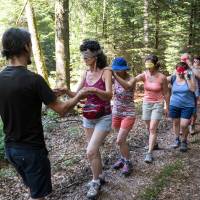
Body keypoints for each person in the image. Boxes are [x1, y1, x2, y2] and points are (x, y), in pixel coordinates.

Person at [0, 28, 86, 200]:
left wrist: (46, 93)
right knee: (39, 196)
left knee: (34, 189)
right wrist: (79, 95)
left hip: (11, 150)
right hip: (32, 151)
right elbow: (62, 110)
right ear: (26, 46)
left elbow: (18, 98)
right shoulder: (34, 79)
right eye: (31, 44)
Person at [63, 40, 112, 199]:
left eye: (87, 56)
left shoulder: (106, 71)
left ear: (95, 56)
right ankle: (100, 176)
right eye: (83, 56)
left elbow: (109, 94)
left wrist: (93, 89)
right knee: (94, 150)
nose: (84, 59)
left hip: (103, 116)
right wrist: (65, 90)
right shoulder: (85, 73)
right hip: (88, 117)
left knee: (90, 151)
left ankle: (95, 181)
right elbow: (76, 95)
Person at [111, 55, 169, 163]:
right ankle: (154, 143)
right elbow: (131, 81)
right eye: (146, 64)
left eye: (150, 64)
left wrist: (167, 107)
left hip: (158, 103)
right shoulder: (144, 75)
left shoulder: (162, 77)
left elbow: (166, 92)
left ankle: (149, 153)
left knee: (152, 128)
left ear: (155, 64)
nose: (148, 67)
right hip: (146, 103)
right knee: (148, 127)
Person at [110, 57, 135, 176]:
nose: (117, 71)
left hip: (128, 113)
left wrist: (115, 76)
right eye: (116, 70)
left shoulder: (132, 79)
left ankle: (128, 162)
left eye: (119, 70)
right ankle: (122, 158)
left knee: (120, 140)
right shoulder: (113, 78)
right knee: (121, 140)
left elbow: (127, 86)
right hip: (116, 112)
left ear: (125, 69)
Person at [168, 62, 196, 152]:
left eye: (182, 71)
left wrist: (187, 77)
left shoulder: (190, 77)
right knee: (176, 123)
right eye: (178, 71)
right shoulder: (173, 78)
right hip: (174, 104)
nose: (180, 73)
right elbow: (161, 79)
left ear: (185, 70)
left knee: (184, 125)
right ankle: (177, 140)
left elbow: (193, 89)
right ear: (176, 70)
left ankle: (184, 140)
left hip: (187, 105)